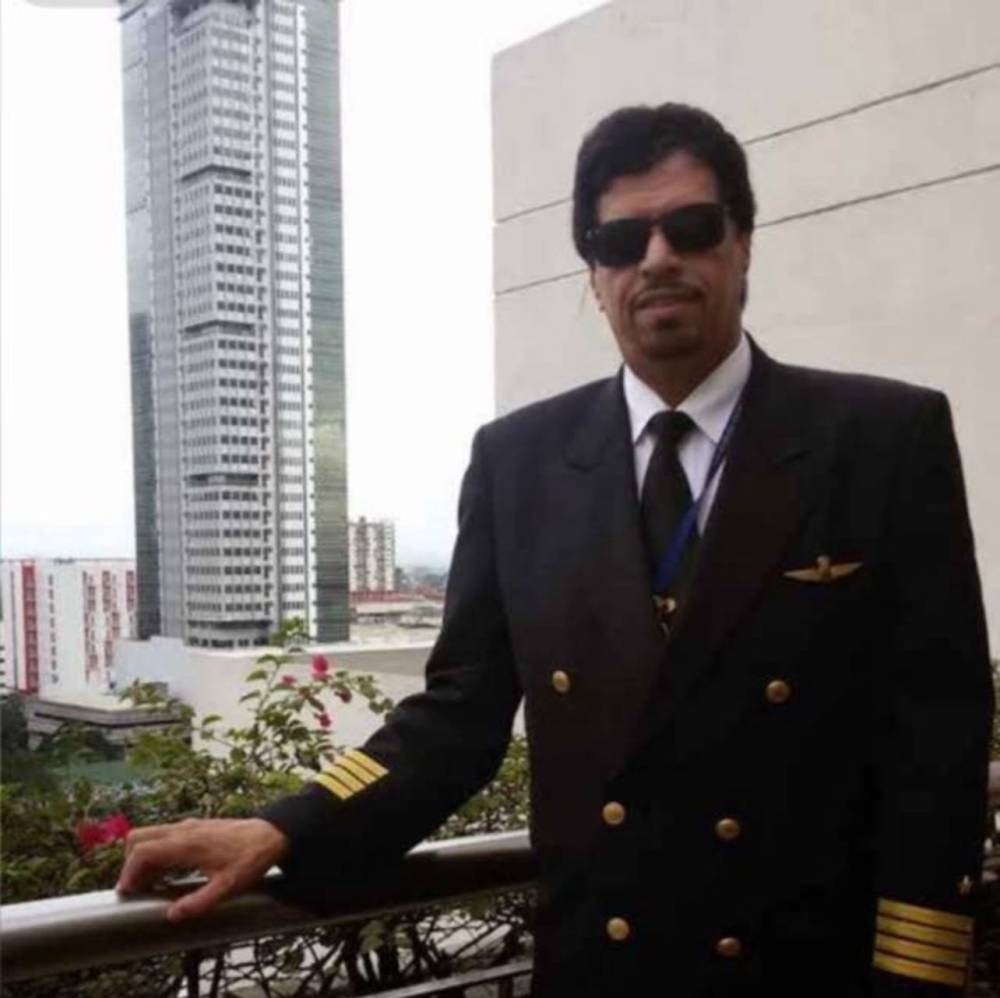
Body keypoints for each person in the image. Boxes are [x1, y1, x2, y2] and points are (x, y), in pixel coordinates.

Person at [118, 103, 994, 996]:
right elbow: (460, 715)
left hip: (807, 974)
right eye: (621, 240)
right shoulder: (518, 461)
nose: (657, 257)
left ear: (743, 244)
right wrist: (289, 825)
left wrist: (917, 976)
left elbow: (940, 735)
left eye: (691, 227)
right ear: (594, 272)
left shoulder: (883, 439)